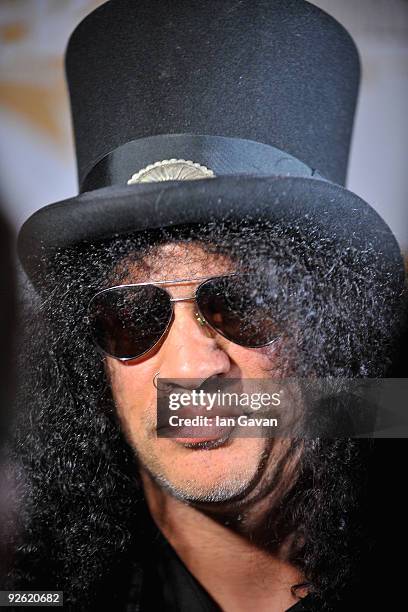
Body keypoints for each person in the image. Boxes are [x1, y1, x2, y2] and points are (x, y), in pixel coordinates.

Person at [7, 1, 406, 610]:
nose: (193, 369)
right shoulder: (32, 581)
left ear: (330, 324)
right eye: (132, 317)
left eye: (244, 304)